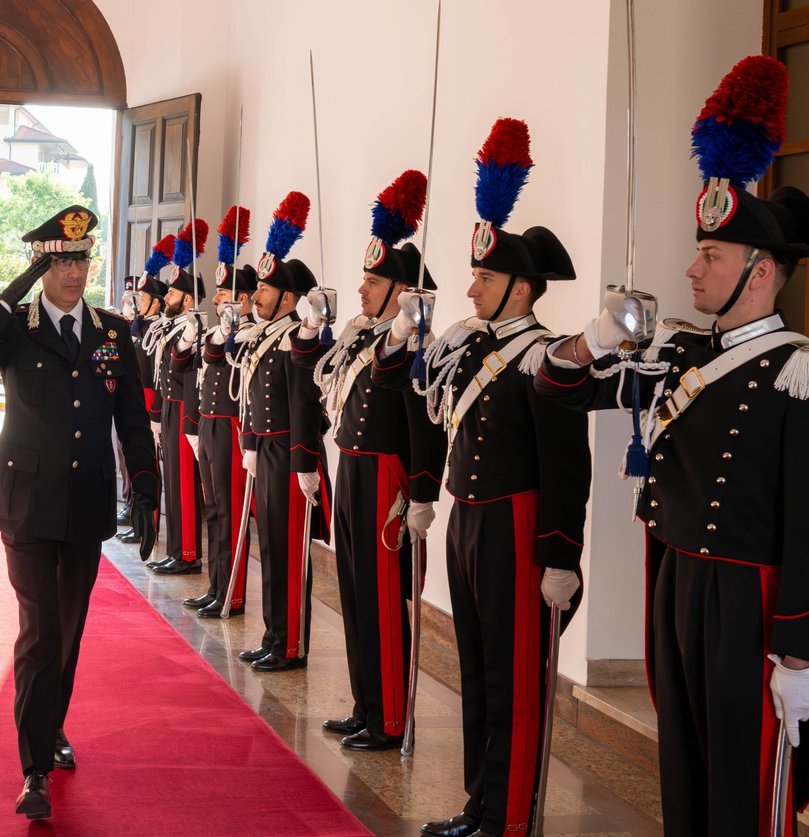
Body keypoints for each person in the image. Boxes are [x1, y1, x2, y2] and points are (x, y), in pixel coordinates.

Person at [535, 56, 809, 835]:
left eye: (711, 256)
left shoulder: (808, 371)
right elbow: (559, 389)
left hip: (751, 601)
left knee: (746, 782)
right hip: (677, 576)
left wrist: (800, 649)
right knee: (683, 767)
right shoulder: (680, 354)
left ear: (761, 270)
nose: (692, 268)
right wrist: (594, 336)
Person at [377, 121, 591, 836]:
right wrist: (409, 335)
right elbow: (419, 402)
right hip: (471, 519)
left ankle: (508, 815)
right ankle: (480, 802)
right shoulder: (469, 345)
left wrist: (562, 554)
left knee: (515, 675)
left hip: (520, 523)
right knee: (477, 666)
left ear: (522, 287)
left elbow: (569, 463)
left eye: (485, 277)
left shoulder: (545, 357)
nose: (470, 286)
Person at [0, 205, 159, 820]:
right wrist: (14, 286)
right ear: (41, 264)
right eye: (61, 260)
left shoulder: (113, 332)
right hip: (27, 506)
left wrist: (146, 489)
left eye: (81, 258)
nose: (75, 271)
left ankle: (51, 726)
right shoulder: (14, 327)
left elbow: (131, 422)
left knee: (66, 637)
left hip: (87, 504)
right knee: (40, 635)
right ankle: (34, 769)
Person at [291, 171, 446, 751]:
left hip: (387, 475)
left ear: (402, 291)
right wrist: (310, 322)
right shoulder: (362, 336)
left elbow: (425, 422)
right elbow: (309, 364)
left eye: (373, 281)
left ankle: (389, 720)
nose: (361, 291)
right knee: (354, 591)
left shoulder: (414, 345)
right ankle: (365, 704)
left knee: (383, 600)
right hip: (351, 465)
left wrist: (424, 492)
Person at [237, 191, 331, 672]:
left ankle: (291, 645)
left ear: (288, 299)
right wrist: (250, 444)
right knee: (270, 547)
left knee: (291, 551)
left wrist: (304, 461)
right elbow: (252, 397)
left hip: (293, 457)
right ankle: (275, 636)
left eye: (265, 291)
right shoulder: (265, 336)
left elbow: (309, 406)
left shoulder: (301, 338)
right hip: (267, 452)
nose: (256, 297)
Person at [172, 205, 257, 616]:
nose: (217, 299)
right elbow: (185, 367)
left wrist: (230, 330)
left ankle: (232, 594)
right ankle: (216, 587)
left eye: (223, 294)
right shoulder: (217, 329)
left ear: (241, 299)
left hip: (232, 427)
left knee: (228, 510)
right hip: (208, 424)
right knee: (213, 510)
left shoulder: (250, 332)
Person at [148, 220, 208, 575]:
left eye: (171, 294)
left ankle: (188, 553)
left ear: (187, 299)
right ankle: (175, 549)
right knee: (172, 479)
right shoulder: (171, 326)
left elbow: (189, 373)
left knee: (185, 481)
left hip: (186, 407)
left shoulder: (194, 326)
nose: (165, 298)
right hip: (170, 406)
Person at [116, 259, 169, 545]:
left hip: (151, 400)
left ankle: (146, 519)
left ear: (157, 303)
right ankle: (135, 510)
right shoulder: (138, 327)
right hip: (137, 397)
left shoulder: (157, 329)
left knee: (148, 464)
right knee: (127, 458)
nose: (135, 303)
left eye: (143, 298)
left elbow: (158, 375)